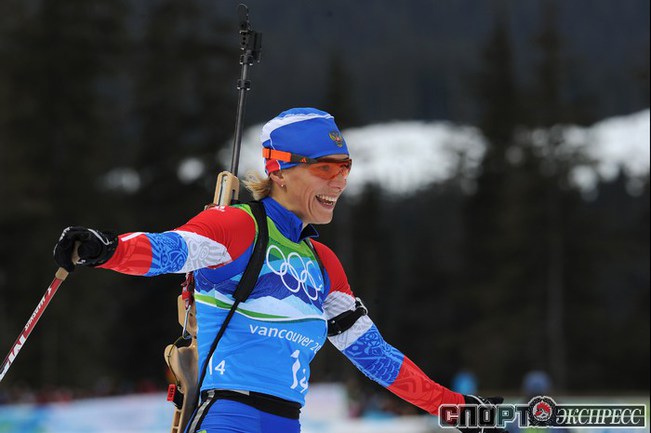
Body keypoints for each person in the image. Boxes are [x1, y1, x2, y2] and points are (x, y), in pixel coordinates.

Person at [53, 108, 504, 433]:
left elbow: (375, 357)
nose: (339, 181)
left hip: (287, 423)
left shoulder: (323, 263)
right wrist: (106, 248)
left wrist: (456, 409)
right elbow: (171, 250)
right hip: (227, 418)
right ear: (280, 171)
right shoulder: (238, 226)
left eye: (345, 167)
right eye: (325, 167)